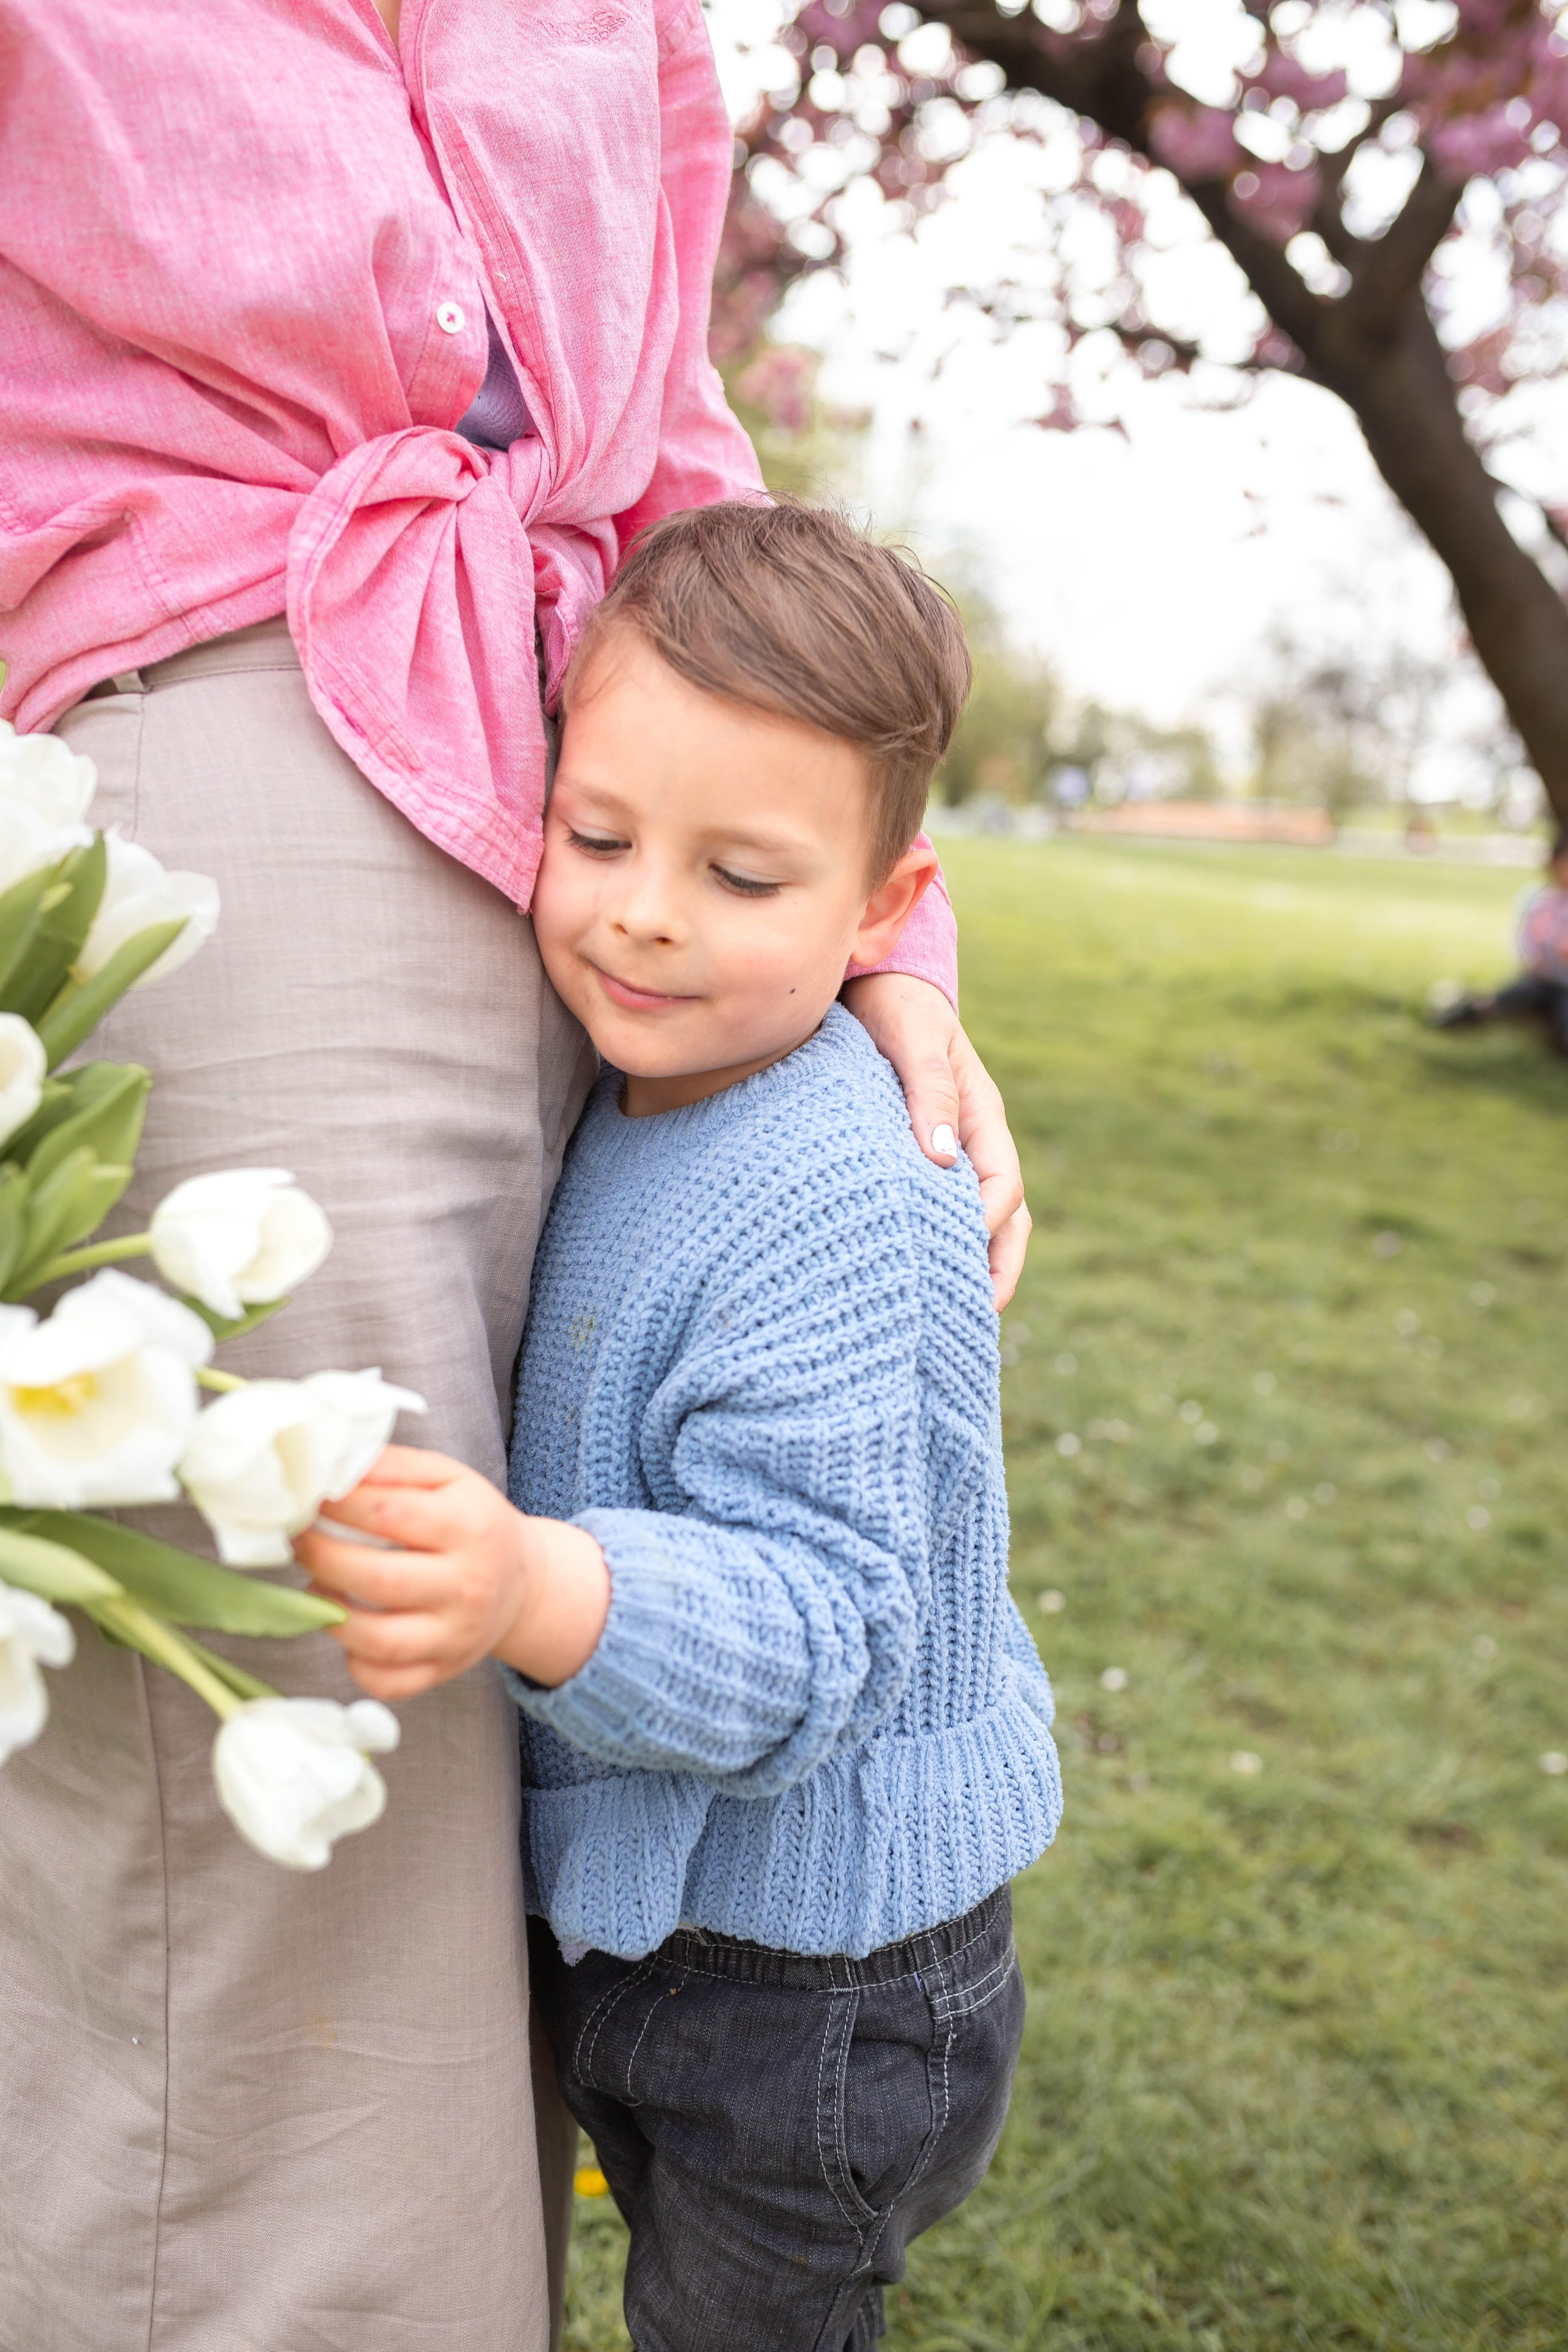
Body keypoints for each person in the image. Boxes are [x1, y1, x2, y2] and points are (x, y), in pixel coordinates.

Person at [0, 10, 1030, 2350]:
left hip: (561, 729)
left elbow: (665, 432)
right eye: (643, 869)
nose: (668, 911)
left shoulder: (749, 1076)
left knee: (427, 1778)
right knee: (283, 1808)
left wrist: (880, 955)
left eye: (763, 887)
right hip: (206, 714)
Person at [299, 502, 1063, 2352]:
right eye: (598, 833)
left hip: (821, 1984)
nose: (643, 910)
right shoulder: (632, 1081)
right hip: (671, 1931)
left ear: (888, 912)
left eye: (743, 877)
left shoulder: (844, 1197)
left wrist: (537, 1583)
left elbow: (822, 1631)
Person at [1428, 832, 1568, 1052]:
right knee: (1498, 1000)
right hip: (1540, 978)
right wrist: (1533, 960)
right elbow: (1523, 941)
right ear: (1554, 861)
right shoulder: (1536, 898)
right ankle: (1457, 1016)